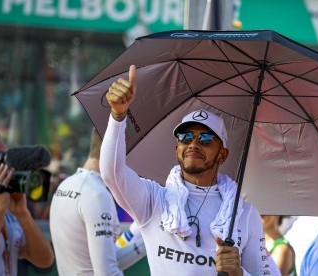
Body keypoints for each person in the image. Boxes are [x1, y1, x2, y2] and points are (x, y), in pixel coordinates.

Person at [101, 65, 270, 275]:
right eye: (186, 137)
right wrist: (118, 116)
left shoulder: (244, 214)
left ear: (222, 155)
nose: (194, 144)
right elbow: (111, 174)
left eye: (206, 139)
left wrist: (239, 273)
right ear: (177, 149)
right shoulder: (154, 200)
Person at [49, 128, 123, 275]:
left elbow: (102, 260)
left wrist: (143, 241)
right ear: (117, 148)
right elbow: (107, 272)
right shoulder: (97, 194)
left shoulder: (66, 184)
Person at [0, 131, 55, 275]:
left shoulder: (7, 211)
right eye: (0, 164)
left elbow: (45, 262)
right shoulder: (1, 206)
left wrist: (22, 213)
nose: (5, 171)